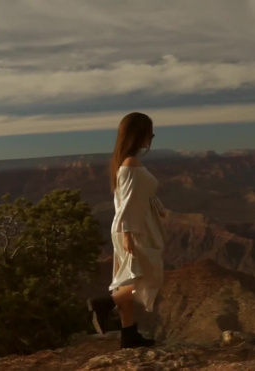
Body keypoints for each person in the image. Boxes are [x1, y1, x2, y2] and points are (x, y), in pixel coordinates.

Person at [87, 112, 167, 349]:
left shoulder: (126, 161)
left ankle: (128, 333)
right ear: (138, 134)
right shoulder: (131, 164)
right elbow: (128, 203)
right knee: (145, 276)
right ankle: (105, 303)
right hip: (134, 229)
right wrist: (128, 234)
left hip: (132, 227)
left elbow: (127, 201)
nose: (151, 137)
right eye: (149, 132)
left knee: (127, 279)